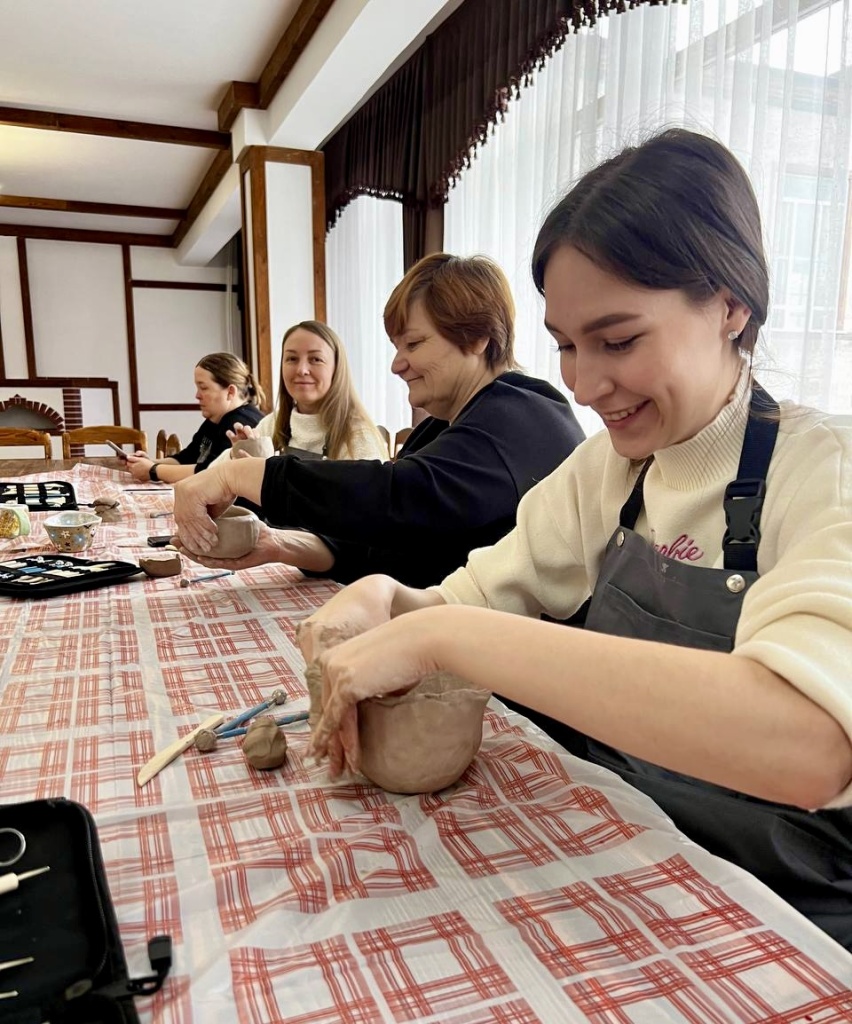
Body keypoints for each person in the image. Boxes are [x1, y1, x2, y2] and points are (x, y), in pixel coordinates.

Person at [300, 130, 852, 948]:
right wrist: (392, 600)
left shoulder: (826, 470)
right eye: (564, 344)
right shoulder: (607, 471)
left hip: (785, 911)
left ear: (732, 304)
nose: (584, 385)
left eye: (618, 340)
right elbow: (471, 598)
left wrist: (447, 632)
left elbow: (808, 742)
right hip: (636, 854)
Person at [173, 253, 586, 586]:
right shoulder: (446, 423)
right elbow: (384, 541)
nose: (397, 364)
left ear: (478, 336)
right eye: (396, 345)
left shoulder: (524, 415)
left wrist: (237, 475)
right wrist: (276, 544)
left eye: (414, 343)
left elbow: (399, 498)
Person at [210, 320, 388, 465]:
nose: (302, 370)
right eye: (292, 359)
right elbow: (214, 474)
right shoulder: (272, 424)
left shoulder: (358, 435)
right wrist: (239, 454)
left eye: (316, 359)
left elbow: (367, 504)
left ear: (337, 369)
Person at [127, 353, 265, 484]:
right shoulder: (216, 419)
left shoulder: (239, 425)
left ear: (230, 392)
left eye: (203, 388)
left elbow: (209, 473)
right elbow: (187, 458)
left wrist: (153, 470)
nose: (197, 395)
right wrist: (149, 463)